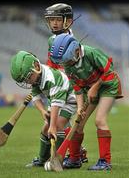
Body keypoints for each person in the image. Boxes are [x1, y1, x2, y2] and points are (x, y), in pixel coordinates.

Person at [26, 3, 88, 168]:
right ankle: (75, 153)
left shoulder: (72, 42)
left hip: (71, 89)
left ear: (67, 21)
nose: (54, 23)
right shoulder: (52, 39)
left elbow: (76, 68)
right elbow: (51, 65)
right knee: (54, 125)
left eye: (57, 20)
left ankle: (74, 156)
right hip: (57, 87)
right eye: (51, 19)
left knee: (59, 125)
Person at [50, 33, 123, 170]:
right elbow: (77, 89)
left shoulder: (90, 53)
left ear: (76, 50)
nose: (67, 65)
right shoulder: (68, 64)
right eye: (64, 62)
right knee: (77, 124)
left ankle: (105, 162)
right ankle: (74, 159)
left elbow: (109, 70)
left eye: (68, 61)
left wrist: (95, 86)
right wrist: (79, 108)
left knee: (100, 120)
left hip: (108, 86)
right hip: (89, 90)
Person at [10, 50, 85, 168]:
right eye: (24, 80)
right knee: (46, 129)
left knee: (58, 125)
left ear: (36, 65)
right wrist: (43, 112)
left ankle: (58, 159)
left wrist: (53, 126)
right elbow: (36, 97)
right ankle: (42, 159)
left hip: (69, 99)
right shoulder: (36, 77)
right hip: (55, 100)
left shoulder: (51, 78)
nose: (28, 82)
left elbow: (56, 103)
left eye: (28, 77)